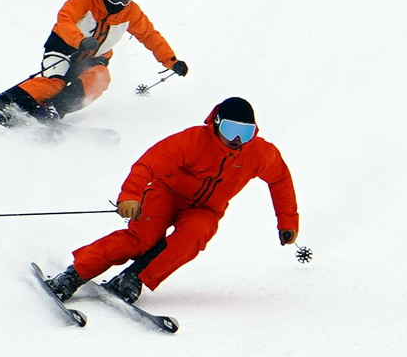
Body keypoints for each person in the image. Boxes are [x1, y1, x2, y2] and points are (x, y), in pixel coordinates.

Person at [46, 97, 299, 304]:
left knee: (194, 236)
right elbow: (148, 165)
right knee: (142, 240)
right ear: (216, 123)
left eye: (245, 133)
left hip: (206, 209)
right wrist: (131, 196)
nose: (236, 140)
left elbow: (280, 180)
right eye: (231, 130)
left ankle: (134, 279)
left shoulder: (260, 153)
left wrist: (287, 221)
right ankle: (74, 274)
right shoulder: (192, 141)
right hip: (165, 195)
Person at [0, 0, 187, 124]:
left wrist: (171, 61)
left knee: (100, 79)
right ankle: (0, 108)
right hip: (65, 48)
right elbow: (64, 18)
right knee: (54, 82)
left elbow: (150, 36)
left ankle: (54, 109)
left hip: (94, 57)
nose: (120, 3)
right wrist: (80, 40)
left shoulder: (131, 13)